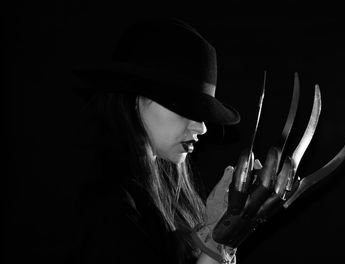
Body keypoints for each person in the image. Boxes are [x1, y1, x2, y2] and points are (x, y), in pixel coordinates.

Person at [72, 17, 293, 264]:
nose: (201, 127)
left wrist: (218, 235)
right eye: (186, 108)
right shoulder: (108, 205)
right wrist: (217, 243)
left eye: (202, 113)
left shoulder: (161, 195)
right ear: (137, 99)